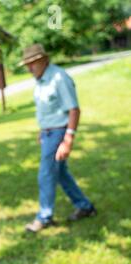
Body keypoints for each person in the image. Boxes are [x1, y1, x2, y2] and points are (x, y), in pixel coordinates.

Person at [20, 44, 97, 233]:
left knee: (45, 175)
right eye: (27, 64)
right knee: (61, 174)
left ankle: (44, 217)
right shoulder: (41, 80)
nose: (29, 68)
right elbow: (48, 110)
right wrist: (42, 130)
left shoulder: (59, 77)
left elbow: (73, 110)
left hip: (59, 133)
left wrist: (68, 139)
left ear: (44, 60)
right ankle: (85, 207)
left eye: (33, 63)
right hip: (48, 133)